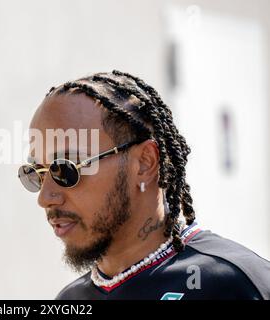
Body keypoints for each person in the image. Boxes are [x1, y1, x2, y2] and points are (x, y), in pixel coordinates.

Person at [17, 70, 270, 300]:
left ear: (145, 163)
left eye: (66, 169)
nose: (45, 197)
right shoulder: (71, 299)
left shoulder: (235, 285)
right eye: (35, 173)